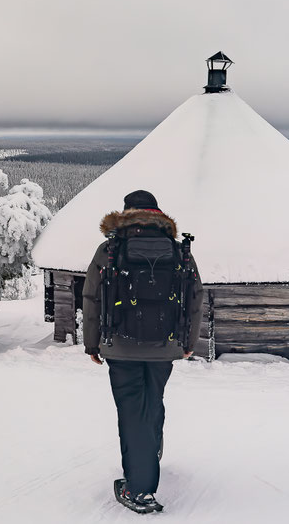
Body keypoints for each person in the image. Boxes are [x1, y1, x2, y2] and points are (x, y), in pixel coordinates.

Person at [82, 189, 202, 514]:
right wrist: (188, 343)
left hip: (120, 346)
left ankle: (139, 489)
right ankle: (150, 451)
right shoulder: (179, 252)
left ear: (126, 214)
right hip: (165, 345)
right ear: (157, 214)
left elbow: (92, 299)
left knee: (132, 411)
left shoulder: (109, 250)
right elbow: (194, 298)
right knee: (153, 400)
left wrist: (92, 344)